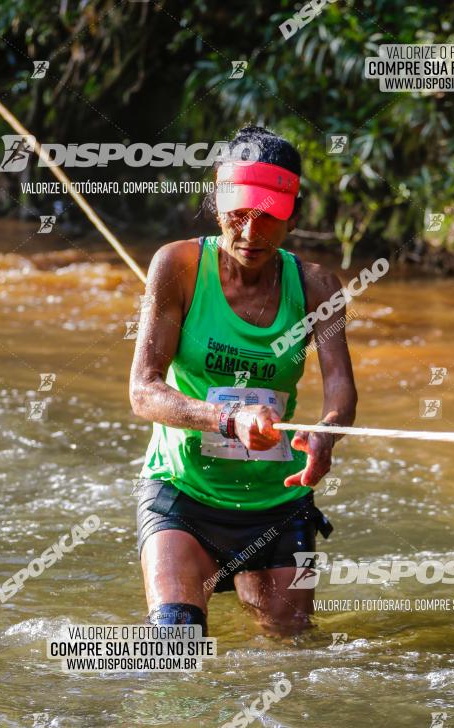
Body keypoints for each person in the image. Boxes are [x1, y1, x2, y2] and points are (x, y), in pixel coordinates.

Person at [130, 124, 357, 635]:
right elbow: (143, 391)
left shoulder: (319, 286)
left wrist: (327, 433)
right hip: (183, 493)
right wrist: (229, 419)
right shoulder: (178, 266)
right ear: (216, 203)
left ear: (293, 217)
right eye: (238, 215)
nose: (250, 234)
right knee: (172, 644)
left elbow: (340, 386)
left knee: (291, 661)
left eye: (268, 218)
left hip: (277, 502)